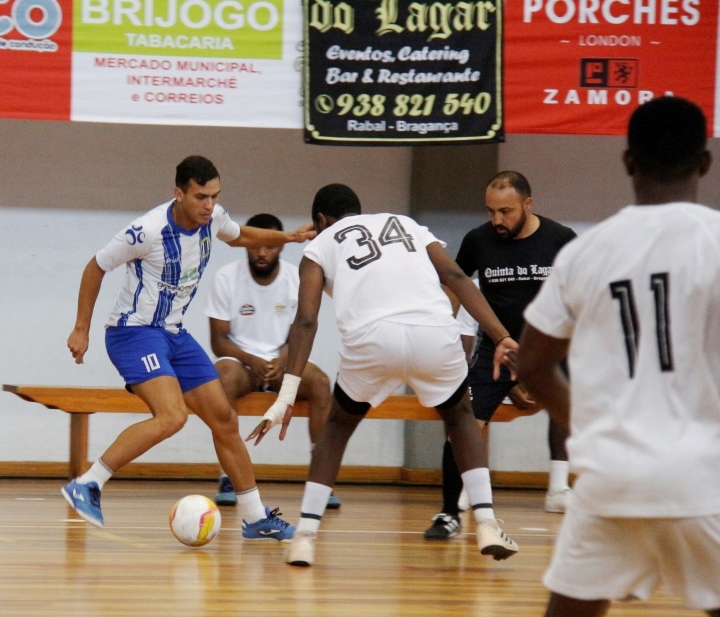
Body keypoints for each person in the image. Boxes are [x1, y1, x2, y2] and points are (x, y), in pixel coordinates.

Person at [504, 97, 720, 617]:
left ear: (628, 161)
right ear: (704, 162)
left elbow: (532, 364)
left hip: (608, 476)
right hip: (701, 479)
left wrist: (589, 431)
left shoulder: (584, 252)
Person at [248, 183, 520, 567]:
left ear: (321, 221)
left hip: (372, 339)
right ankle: (488, 523)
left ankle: (305, 536)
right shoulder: (404, 223)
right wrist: (502, 336)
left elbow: (306, 320)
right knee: (460, 417)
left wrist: (286, 394)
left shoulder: (320, 244)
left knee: (338, 427)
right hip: (433, 332)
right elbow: (457, 278)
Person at [63, 156, 313, 541]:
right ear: (178, 193)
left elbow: (240, 235)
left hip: (174, 335)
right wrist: (82, 329)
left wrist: (290, 238)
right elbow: (94, 267)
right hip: (135, 333)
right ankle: (89, 483)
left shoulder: (213, 218)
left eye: (214, 196)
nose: (209, 205)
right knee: (172, 416)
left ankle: (254, 515)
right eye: (200, 197)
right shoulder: (144, 231)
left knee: (224, 419)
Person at [424, 172, 577, 542]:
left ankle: (560, 487)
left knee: (579, 400)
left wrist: (535, 367)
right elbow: (455, 289)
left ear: (528, 204)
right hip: (497, 349)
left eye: (506, 211)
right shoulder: (478, 240)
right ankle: (450, 510)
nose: (498, 220)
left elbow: (579, 303)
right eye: (491, 211)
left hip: (551, 346)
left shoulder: (562, 240)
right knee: (462, 419)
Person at [204, 212, 339, 510]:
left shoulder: (297, 278)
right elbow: (219, 341)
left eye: (270, 246)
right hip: (241, 364)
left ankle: (321, 480)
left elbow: (302, 330)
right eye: (257, 245)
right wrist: (251, 359)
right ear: (247, 245)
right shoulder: (226, 277)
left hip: (284, 361)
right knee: (220, 378)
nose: (262, 252)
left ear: (280, 247)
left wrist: (283, 359)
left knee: (320, 383)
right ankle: (229, 476)